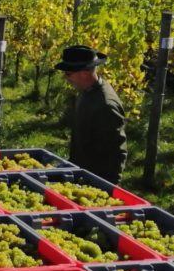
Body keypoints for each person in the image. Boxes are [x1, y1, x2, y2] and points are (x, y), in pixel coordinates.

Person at [55, 44, 128, 183]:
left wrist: (109, 187)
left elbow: (116, 152)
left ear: (84, 72)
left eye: (68, 73)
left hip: (95, 178)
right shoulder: (86, 91)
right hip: (81, 171)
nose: (65, 77)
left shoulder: (106, 105)